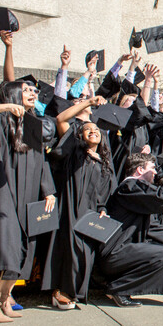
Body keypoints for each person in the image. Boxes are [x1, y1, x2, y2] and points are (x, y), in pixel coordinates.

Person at [0, 78, 56, 322]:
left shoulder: (33, 124)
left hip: (27, 194)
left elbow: (41, 162)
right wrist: (5, 107)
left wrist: (49, 190)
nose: (32, 92)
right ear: (14, 94)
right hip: (3, 189)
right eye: (26, 89)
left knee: (22, 248)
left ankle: (6, 297)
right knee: (6, 245)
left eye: (34, 90)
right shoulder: (0, 117)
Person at [43, 95, 116, 309]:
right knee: (68, 248)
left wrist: (102, 209)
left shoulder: (104, 163)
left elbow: (104, 193)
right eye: (87, 130)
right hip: (70, 209)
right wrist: (87, 104)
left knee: (85, 253)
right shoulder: (75, 152)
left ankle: (75, 291)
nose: (93, 131)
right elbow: (61, 120)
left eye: (96, 130)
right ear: (80, 136)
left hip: (90, 213)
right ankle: (60, 291)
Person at [97, 151, 163, 307]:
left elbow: (155, 229)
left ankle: (119, 285)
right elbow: (162, 197)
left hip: (122, 253)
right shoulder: (129, 186)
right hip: (114, 253)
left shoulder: (136, 195)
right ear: (140, 170)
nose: (155, 172)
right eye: (152, 168)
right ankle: (117, 288)